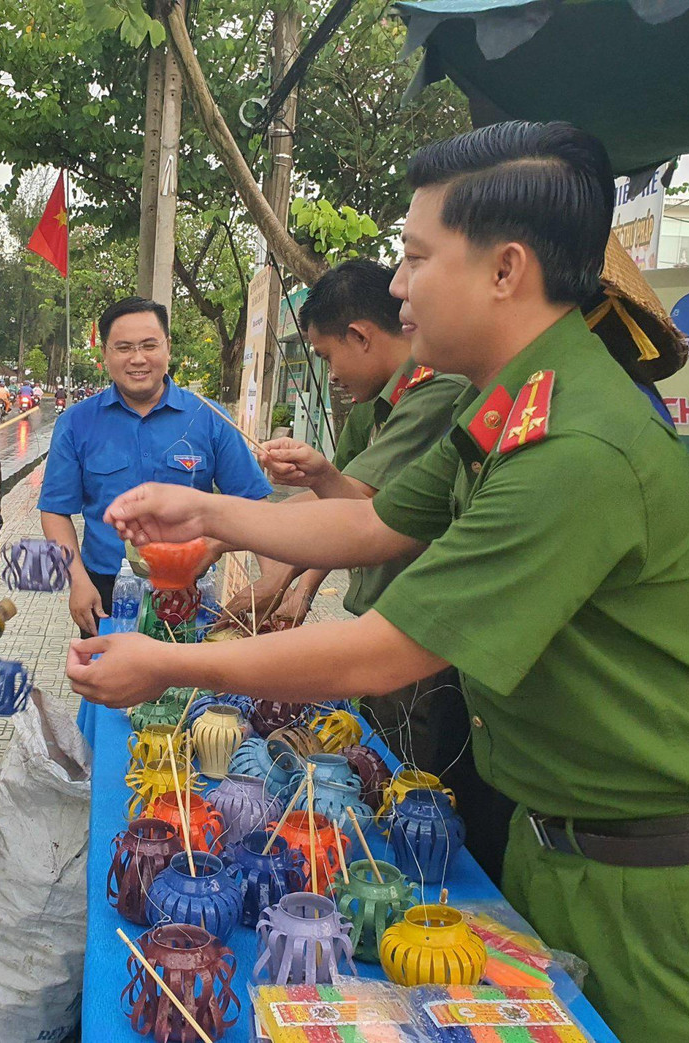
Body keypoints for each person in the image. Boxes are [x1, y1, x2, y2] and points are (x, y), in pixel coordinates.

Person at [69, 122, 689, 1043]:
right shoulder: (503, 400)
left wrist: (170, 665)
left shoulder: (576, 445)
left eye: (416, 257)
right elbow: (372, 519)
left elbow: (388, 652)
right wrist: (209, 512)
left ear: (505, 269)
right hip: (569, 855)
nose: (395, 286)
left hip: (672, 901)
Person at [228, 259, 515, 882]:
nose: (329, 375)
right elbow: (350, 516)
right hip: (386, 627)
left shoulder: (441, 398)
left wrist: (218, 528)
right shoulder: (376, 407)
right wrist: (292, 581)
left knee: (420, 794)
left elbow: (372, 518)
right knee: (382, 760)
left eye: (330, 357)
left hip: (418, 640)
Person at [39, 296, 272, 636]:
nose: (138, 359)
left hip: (192, 589)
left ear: (168, 348)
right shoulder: (77, 423)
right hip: (107, 591)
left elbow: (255, 503)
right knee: (109, 685)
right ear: (105, 354)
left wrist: (274, 583)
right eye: (123, 348)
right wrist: (77, 581)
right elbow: (55, 510)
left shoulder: (209, 417)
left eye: (149, 345)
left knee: (187, 688)